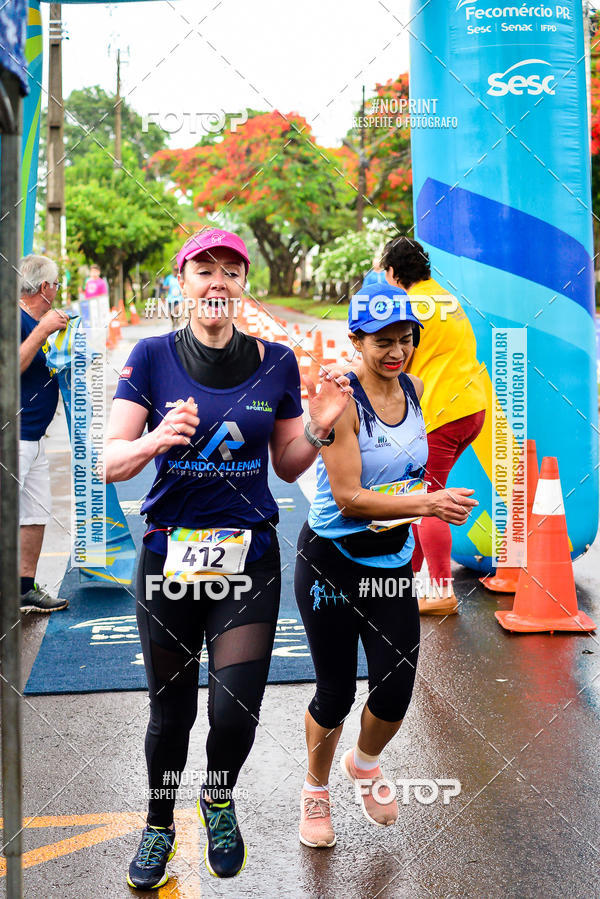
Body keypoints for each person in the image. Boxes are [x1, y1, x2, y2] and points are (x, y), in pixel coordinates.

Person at [104, 228, 351, 888]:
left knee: (234, 709)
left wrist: (322, 427)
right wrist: (158, 437)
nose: (217, 280)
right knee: (172, 712)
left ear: (244, 282)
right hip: (168, 559)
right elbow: (109, 461)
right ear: (181, 282)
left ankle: (217, 796)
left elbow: (289, 460)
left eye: (230, 270)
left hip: (249, 560)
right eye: (203, 268)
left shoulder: (275, 362)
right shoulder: (151, 355)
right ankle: (158, 825)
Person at [294, 282, 477, 848]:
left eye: (405, 340)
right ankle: (315, 790)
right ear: (356, 340)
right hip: (332, 561)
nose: (396, 352)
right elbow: (348, 497)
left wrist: (420, 497)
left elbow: (409, 470)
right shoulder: (342, 402)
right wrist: (428, 503)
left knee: (396, 689)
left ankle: (365, 763)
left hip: (391, 559)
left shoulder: (417, 389)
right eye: (382, 342)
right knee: (335, 692)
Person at [382, 237, 487, 615]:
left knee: (430, 498)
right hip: (472, 407)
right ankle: (405, 582)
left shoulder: (406, 305)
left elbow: (396, 360)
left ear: (394, 273)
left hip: (441, 411)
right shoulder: (447, 297)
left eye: (386, 273)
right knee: (419, 492)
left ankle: (441, 590)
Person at [18, 255, 70, 613]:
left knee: (36, 513)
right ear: (44, 287)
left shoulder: (34, 321)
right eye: (56, 284)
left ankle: (24, 589)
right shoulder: (16, 319)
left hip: (35, 436)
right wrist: (42, 330)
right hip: (14, 435)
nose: (57, 291)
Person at [162, 264, 184, 329]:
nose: (176, 271)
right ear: (173, 270)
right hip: (170, 298)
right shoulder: (169, 278)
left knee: (178, 311)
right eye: (175, 270)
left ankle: (176, 321)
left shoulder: (180, 277)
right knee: (171, 312)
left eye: (177, 270)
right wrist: (168, 287)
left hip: (179, 298)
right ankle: (173, 322)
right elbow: (164, 286)